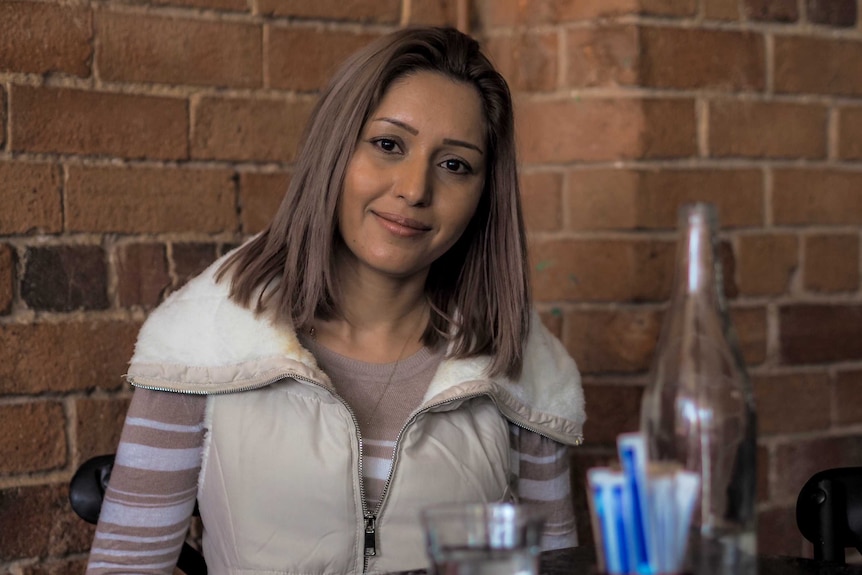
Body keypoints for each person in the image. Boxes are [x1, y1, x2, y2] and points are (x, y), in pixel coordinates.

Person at [86, 26, 585, 575]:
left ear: (483, 195)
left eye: (454, 165)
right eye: (388, 144)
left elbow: (548, 566)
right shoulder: (201, 347)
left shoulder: (525, 370)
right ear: (335, 151)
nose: (415, 189)